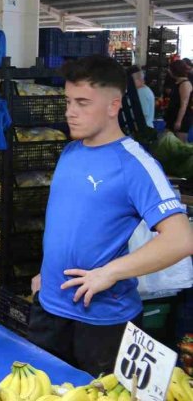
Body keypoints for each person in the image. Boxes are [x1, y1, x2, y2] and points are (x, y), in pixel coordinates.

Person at [28, 56, 193, 375]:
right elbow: (69, 223)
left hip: (104, 322)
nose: (70, 112)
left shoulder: (134, 164)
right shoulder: (71, 151)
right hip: (49, 310)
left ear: (113, 105)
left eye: (82, 102)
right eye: (68, 101)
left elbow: (181, 239)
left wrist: (111, 272)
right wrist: (45, 272)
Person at [164, 59, 191, 140]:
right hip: (173, 115)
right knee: (168, 141)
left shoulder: (184, 84)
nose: (169, 71)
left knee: (180, 144)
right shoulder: (178, 82)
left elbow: (184, 105)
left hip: (181, 118)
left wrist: (178, 121)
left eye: (170, 69)